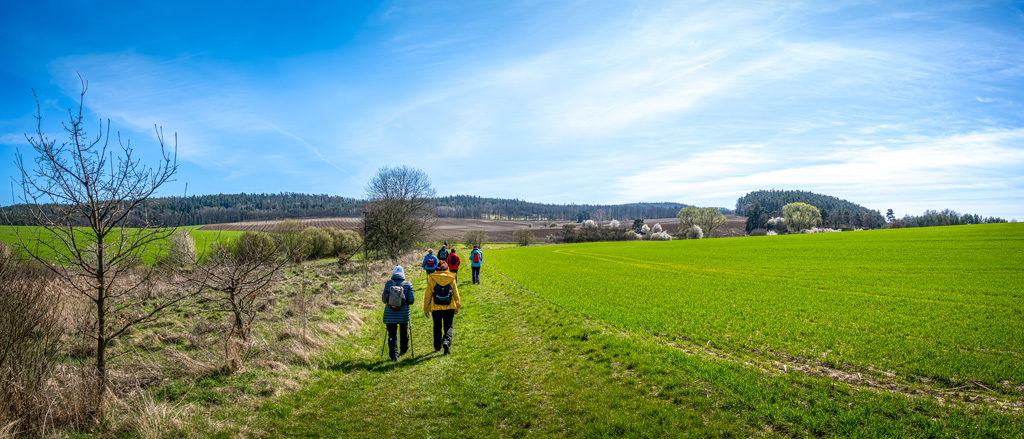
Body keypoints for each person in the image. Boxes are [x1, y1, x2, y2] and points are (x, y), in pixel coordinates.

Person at [424, 261, 460, 355]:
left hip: (436, 307)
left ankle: (437, 346)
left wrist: (426, 308)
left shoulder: (432, 278)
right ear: (446, 268)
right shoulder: (451, 278)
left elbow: (427, 295)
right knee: (448, 326)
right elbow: (456, 294)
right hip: (449, 306)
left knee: (437, 327)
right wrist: (457, 306)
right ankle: (446, 341)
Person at [382, 266, 414, 361]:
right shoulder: (408, 285)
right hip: (403, 314)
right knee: (403, 330)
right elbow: (411, 301)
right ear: (403, 274)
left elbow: (384, 300)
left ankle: (393, 354)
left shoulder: (388, 284)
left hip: (389, 314)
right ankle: (404, 348)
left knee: (392, 333)